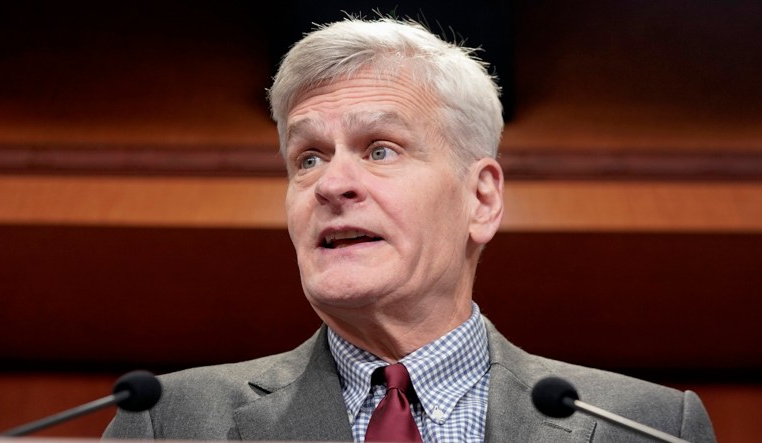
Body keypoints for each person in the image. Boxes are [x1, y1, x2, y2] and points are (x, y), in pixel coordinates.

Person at [104, 17, 716, 442]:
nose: (331, 184)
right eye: (308, 158)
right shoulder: (171, 420)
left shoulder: (641, 425)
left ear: (481, 198)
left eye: (380, 150)